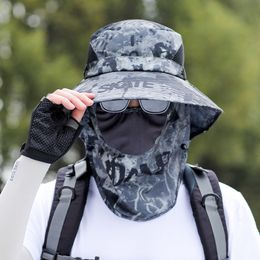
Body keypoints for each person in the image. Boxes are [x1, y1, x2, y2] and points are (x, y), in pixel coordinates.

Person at [0, 19, 259, 260]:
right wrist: (34, 158)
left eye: (154, 101)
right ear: (91, 112)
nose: (134, 114)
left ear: (178, 112)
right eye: (115, 102)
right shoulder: (50, 204)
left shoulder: (225, 210)